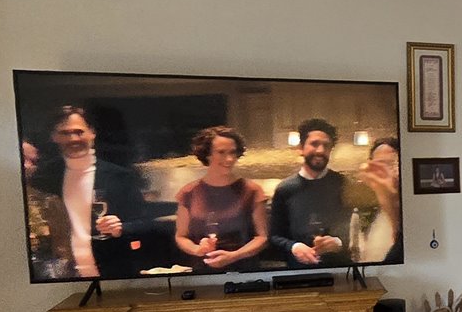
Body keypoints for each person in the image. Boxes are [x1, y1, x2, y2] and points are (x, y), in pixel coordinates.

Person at [27, 105, 151, 280]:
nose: (73, 138)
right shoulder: (44, 177)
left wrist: (121, 227)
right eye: (65, 133)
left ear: (92, 132)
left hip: (113, 271)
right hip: (61, 276)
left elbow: (145, 223)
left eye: (79, 132)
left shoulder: (119, 176)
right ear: (54, 136)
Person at [174, 125, 270, 271]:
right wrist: (197, 249)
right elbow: (181, 236)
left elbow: (262, 238)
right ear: (207, 154)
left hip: (244, 272)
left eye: (233, 152)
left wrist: (234, 255)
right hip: (201, 273)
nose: (229, 159)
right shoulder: (188, 192)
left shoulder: (252, 190)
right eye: (221, 152)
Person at [269, 118, 352, 266]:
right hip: (296, 272)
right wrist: (294, 246)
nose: (320, 150)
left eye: (326, 146)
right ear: (301, 148)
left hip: (338, 270)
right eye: (314, 144)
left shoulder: (343, 184)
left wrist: (338, 242)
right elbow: (275, 236)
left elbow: (354, 229)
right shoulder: (285, 189)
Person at [348, 137, 403, 265]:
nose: (386, 172)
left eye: (391, 164)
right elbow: (356, 252)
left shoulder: (412, 207)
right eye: (379, 165)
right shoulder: (362, 210)